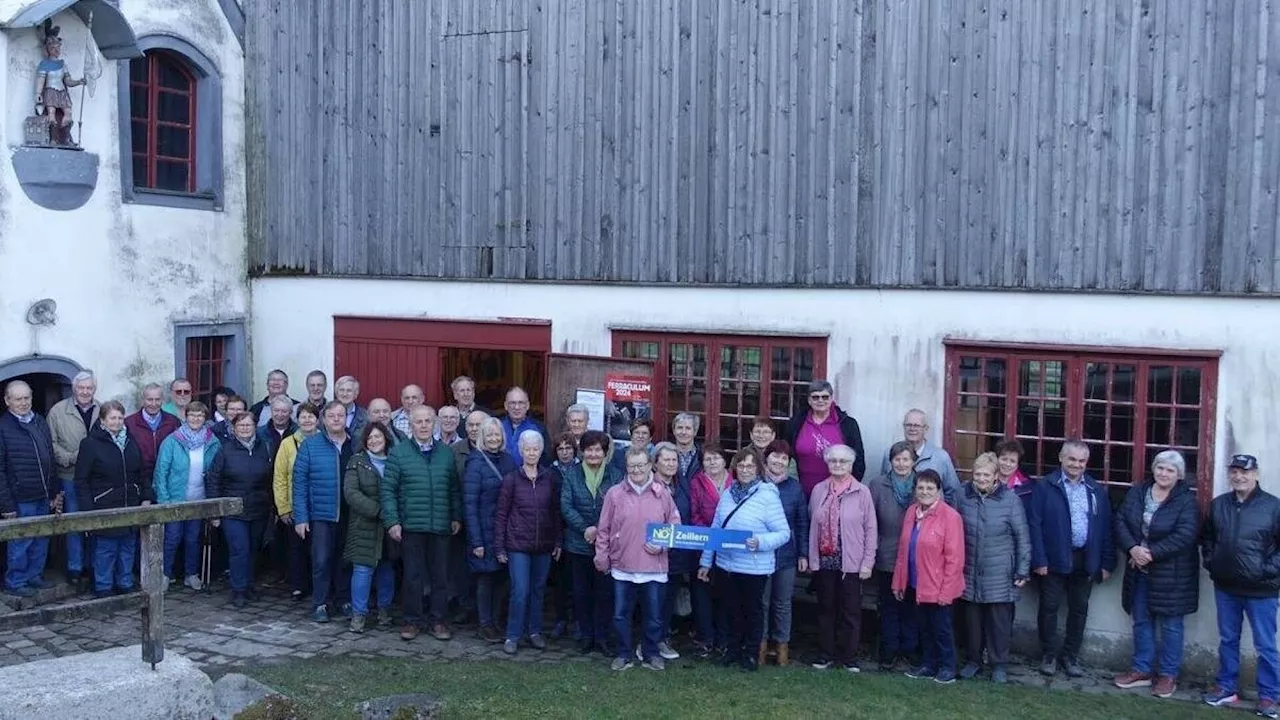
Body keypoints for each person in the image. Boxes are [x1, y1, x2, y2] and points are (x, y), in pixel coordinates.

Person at [1112, 451, 1198, 699]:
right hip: (1138, 569)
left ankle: (1168, 675)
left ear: (1179, 475)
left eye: (1170, 470)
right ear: (1153, 469)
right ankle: (1142, 670)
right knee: (1141, 620)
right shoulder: (1139, 492)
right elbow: (1120, 521)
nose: (1163, 473)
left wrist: (1150, 553)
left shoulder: (1186, 501)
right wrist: (1132, 548)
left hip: (1172, 574)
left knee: (1171, 625)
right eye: (1160, 468)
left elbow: (1185, 534)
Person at [697, 447, 790, 672]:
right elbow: (716, 529)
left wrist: (760, 541)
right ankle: (732, 651)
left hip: (754, 567)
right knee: (730, 610)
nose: (745, 470)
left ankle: (750, 654)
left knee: (752, 612)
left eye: (750, 466)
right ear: (735, 468)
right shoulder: (728, 494)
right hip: (726, 564)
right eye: (741, 465)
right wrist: (705, 562)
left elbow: (783, 533)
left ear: (758, 469)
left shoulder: (768, 495)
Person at [1201, 454, 1280, 716]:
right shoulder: (1219, 504)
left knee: (1265, 645)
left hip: (1262, 589)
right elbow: (1208, 538)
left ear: (1256, 474)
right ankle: (1226, 687)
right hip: (1226, 587)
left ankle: (1269, 696)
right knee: (1228, 639)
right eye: (1234, 472)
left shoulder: (1273, 506)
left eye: (1245, 472)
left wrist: (1264, 571)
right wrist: (1212, 563)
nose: (1239, 477)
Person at [1028, 439, 1115, 678]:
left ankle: (1070, 656)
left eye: (1081, 461)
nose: (1076, 465)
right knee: (1049, 608)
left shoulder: (1095, 489)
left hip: (1085, 558)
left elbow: (1106, 527)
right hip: (1053, 558)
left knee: (1079, 609)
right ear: (1061, 458)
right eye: (1072, 459)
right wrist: (1039, 560)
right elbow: (1034, 525)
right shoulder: (1046, 486)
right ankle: (1049, 656)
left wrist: (1106, 562)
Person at [595, 446, 681, 671]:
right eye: (632, 466)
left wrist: (662, 543)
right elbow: (603, 529)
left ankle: (651, 653)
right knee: (621, 615)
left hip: (654, 566)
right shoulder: (615, 494)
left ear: (650, 465)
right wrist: (601, 556)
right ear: (626, 467)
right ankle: (623, 654)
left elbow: (675, 526)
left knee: (653, 617)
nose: (636, 470)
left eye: (641, 465)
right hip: (622, 566)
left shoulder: (662, 493)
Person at [382, 405, 461, 641]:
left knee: (441, 576)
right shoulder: (399, 453)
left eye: (428, 421)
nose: (424, 426)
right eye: (419, 422)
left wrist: (456, 516)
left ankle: (438, 620)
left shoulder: (446, 453)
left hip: (440, 525)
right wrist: (393, 521)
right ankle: (411, 621)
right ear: (412, 425)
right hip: (412, 525)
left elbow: (454, 489)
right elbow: (388, 490)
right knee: (413, 577)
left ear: (434, 423)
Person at [957, 452, 1030, 684]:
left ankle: (999, 664)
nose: (981, 478)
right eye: (977, 473)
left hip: (1000, 572)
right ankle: (973, 661)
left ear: (996, 476)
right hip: (968, 569)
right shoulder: (961, 495)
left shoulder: (1010, 500)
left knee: (999, 622)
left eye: (986, 474)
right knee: (972, 621)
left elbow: (1022, 537)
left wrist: (1022, 568)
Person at [806, 443, 876, 672]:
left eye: (843, 461)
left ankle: (848, 657)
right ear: (827, 463)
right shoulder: (819, 490)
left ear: (851, 465)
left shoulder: (861, 491)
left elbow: (871, 529)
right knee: (826, 608)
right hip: (826, 560)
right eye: (833, 461)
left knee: (851, 611)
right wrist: (812, 559)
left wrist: (867, 562)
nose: (838, 465)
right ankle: (825, 654)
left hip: (852, 562)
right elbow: (812, 523)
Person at [494, 430, 562, 654]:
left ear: (541, 451)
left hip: (543, 544)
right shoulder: (511, 480)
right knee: (520, 590)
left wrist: (558, 542)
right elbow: (502, 514)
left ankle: (534, 632)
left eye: (535, 449)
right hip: (517, 545)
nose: (531, 453)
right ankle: (512, 635)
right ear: (520, 452)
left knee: (538, 590)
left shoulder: (549, 479)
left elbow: (555, 512)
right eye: (527, 449)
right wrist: (499, 546)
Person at [894, 470, 965, 684]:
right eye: (921, 488)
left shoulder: (951, 517)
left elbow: (955, 558)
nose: (925, 492)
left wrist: (946, 591)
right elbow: (903, 550)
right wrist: (899, 582)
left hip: (940, 586)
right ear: (915, 490)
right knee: (923, 628)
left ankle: (947, 667)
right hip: (917, 583)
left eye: (930, 488)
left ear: (938, 491)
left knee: (941, 630)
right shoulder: (911, 513)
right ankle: (928, 664)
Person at [73, 400, 150, 598]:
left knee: (127, 547)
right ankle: (103, 586)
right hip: (104, 504)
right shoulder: (90, 444)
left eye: (120, 417)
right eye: (112, 418)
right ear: (103, 420)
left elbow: (141, 472)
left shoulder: (130, 441)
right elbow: (81, 480)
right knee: (106, 550)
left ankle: (124, 582)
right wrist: (88, 511)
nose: (116, 422)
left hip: (129, 503)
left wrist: (146, 496)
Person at [561, 430, 623, 655]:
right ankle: (586, 636)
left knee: (604, 594)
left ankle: (602, 637)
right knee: (581, 593)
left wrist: (600, 530)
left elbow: (620, 507)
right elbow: (566, 505)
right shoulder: (572, 475)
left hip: (606, 546)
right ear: (583, 451)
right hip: (578, 545)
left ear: (605, 452)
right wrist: (585, 528)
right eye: (589, 449)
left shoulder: (616, 475)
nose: (594, 453)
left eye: (598, 449)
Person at [293, 401, 355, 622]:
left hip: (350, 513)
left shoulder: (355, 444)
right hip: (321, 514)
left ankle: (343, 599)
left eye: (341, 415)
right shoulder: (310, 445)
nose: (337, 419)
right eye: (332, 416)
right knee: (321, 560)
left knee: (345, 560)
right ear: (324, 419)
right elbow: (299, 483)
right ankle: (320, 603)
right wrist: (300, 517)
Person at [207, 411, 274, 608]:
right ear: (234, 429)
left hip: (258, 508)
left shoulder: (265, 448)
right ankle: (238, 589)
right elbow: (213, 481)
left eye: (249, 425)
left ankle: (249, 585)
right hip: (233, 510)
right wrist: (215, 512)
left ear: (255, 427)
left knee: (253, 550)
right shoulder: (225, 451)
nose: (245, 428)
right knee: (239, 550)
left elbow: (271, 479)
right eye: (241, 425)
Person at [0, 380, 60, 597]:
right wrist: (6, 504)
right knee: (21, 541)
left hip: (43, 494)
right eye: (18, 399)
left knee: (41, 537)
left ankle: (34, 576)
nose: (24, 403)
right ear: (7, 401)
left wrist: (54, 491)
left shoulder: (39, 422)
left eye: (27, 398)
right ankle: (15, 581)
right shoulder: (3, 427)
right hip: (20, 496)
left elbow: (50, 458)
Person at [652, 442, 710, 660]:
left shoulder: (683, 483)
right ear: (655, 463)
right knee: (653, 599)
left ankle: (662, 638)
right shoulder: (648, 484)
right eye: (665, 460)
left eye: (674, 460)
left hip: (677, 554)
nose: (670, 464)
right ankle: (651, 641)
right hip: (652, 553)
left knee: (667, 599)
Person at [153, 401, 219, 589]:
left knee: (193, 538)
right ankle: (165, 575)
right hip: (175, 499)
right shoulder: (172, 441)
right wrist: (164, 500)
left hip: (199, 498)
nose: (196, 419)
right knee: (172, 538)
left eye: (200, 415)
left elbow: (215, 471)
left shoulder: (212, 442)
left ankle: (191, 574)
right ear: (186, 417)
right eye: (192, 415)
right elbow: (161, 472)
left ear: (205, 418)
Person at [866, 440, 920, 670]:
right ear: (891, 462)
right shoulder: (878, 485)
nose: (901, 463)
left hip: (916, 557)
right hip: (887, 554)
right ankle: (888, 652)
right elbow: (869, 520)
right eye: (897, 459)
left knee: (912, 606)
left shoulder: (924, 483)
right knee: (889, 606)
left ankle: (909, 652)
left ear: (913, 461)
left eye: (906, 459)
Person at [464, 417, 518, 642]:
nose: (494, 439)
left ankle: (496, 621)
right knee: (485, 579)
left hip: (505, 532)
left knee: (502, 579)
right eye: (489, 435)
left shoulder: (508, 460)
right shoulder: (475, 462)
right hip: (483, 532)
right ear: (481, 438)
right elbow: (470, 504)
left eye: (497, 435)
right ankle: (485, 624)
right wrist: (476, 541)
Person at [342, 422, 399, 633]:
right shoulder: (357, 462)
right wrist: (378, 511)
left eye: (378, 437)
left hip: (389, 527)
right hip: (364, 525)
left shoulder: (395, 461)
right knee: (363, 570)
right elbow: (351, 493)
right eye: (370, 438)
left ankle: (385, 611)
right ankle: (359, 615)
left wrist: (392, 515)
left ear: (386, 439)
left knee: (386, 569)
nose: (374, 441)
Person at [47, 370, 99, 589]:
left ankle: (92, 566)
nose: (85, 392)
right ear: (73, 388)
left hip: (97, 479)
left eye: (89, 388)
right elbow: (50, 443)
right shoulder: (58, 411)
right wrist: (69, 458)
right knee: (74, 523)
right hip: (69, 476)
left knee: (96, 522)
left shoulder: (101, 409)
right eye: (81, 388)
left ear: (94, 389)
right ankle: (75, 567)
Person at [761, 440, 807, 667]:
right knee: (762, 601)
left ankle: (781, 647)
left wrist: (803, 554)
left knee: (782, 602)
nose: (778, 461)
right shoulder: (756, 484)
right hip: (758, 554)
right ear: (766, 458)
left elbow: (802, 523)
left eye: (784, 458)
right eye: (775, 456)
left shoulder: (795, 488)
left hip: (787, 555)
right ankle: (759, 645)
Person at [782, 379, 866, 496]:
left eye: (825, 397)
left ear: (832, 399)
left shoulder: (848, 424)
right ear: (809, 400)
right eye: (815, 397)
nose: (820, 400)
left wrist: (848, 490)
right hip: (801, 491)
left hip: (838, 492)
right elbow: (786, 455)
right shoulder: (796, 423)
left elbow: (859, 460)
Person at [273, 402, 320, 600]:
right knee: (296, 549)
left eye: (311, 416)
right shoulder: (288, 443)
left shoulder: (324, 441)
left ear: (318, 420)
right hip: (294, 506)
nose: (307, 420)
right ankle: (299, 585)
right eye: (303, 416)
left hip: (319, 506)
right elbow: (280, 477)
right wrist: (283, 508)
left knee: (317, 549)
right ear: (297, 419)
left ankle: (318, 585)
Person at [878, 409, 960, 506]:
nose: (912, 428)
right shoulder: (890, 453)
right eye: (908, 425)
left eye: (916, 425)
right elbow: (883, 487)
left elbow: (953, 492)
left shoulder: (940, 457)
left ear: (926, 429)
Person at [125, 383, 180, 489]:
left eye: (157, 399)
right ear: (143, 400)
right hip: (140, 482)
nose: (154, 404)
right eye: (150, 399)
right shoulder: (129, 424)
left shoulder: (173, 422)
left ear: (162, 400)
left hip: (167, 481)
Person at [499, 387, 548, 466]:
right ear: (506, 406)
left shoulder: (538, 428)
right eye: (512, 403)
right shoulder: (498, 427)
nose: (516, 407)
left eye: (521, 403)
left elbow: (545, 459)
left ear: (527, 405)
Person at [995, 439, 1034, 509]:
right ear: (997, 459)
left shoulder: (1028, 487)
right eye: (1004, 459)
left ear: (1018, 465)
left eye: (1012, 461)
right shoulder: (986, 480)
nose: (1007, 464)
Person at [671, 413, 703, 485]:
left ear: (695, 432)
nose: (683, 432)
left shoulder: (702, 455)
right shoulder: (665, 454)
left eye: (688, 428)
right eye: (680, 428)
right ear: (674, 431)